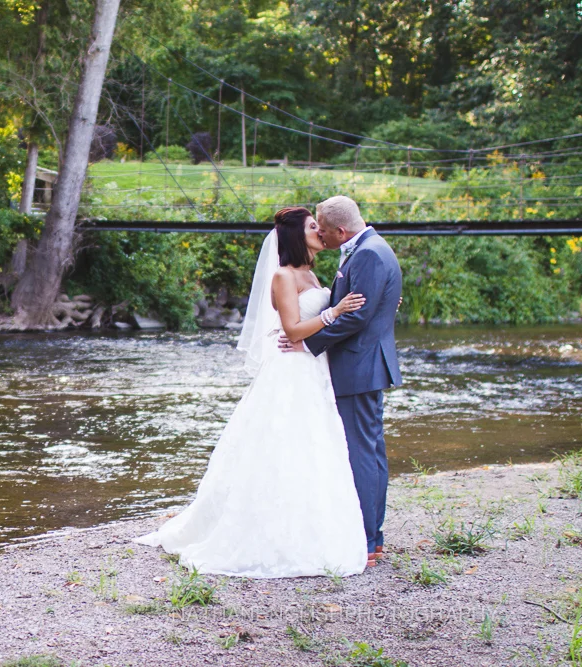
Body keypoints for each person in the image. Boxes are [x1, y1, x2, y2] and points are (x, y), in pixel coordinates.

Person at [133, 206, 370, 577]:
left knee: (314, 448)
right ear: (296, 235)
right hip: (290, 370)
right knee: (282, 446)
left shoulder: (311, 273)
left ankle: (311, 527)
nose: (320, 230)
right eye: (313, 226)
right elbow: (292, 330)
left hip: (311, 369)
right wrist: (334, 312)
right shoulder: (283, 276)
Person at [279, 195, 403, 565]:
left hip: (358, 365)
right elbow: (363, 305)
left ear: (340, 230)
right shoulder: (370, 248)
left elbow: (356, 318)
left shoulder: (366, 253)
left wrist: (306, 341)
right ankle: (372, 537)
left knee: (362, 453)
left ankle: (366, 541)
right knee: (369, 450)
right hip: (362, 364)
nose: (320, 233)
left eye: (322, 227)